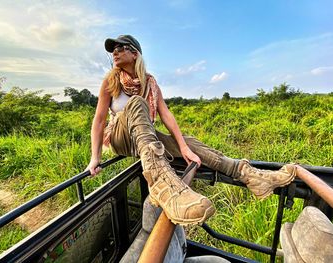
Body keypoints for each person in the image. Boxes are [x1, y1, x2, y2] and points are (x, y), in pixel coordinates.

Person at [86, 34, 296, 226]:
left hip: (143, 139)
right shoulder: (110, 81)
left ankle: (252, 177)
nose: (114, 52)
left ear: (135, 53)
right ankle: (162, 184)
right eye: (112, 49)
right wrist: (95, 157)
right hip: (119, 137)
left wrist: (184, 147)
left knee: (190, 142)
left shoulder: (150, 83)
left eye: (120, 48)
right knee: (137, 103)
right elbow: (99, 120)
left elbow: (166, 115)